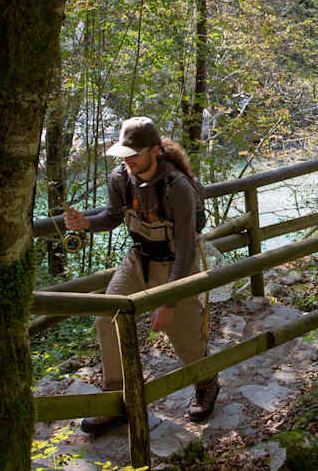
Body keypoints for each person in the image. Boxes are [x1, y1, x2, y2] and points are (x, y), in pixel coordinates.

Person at [63, 116, 219, 434]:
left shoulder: (178, 188)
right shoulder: (121, 178)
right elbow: (112, 216)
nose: (127, 160)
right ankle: (117, 399)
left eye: (133, 154)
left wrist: (169, 302)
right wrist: (86, 224)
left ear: (155, 151)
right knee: (107, 315)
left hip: (177, 264)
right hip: (138, 260)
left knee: (184, 337)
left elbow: (188, 247)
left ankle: (207, 384)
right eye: (124, 154)